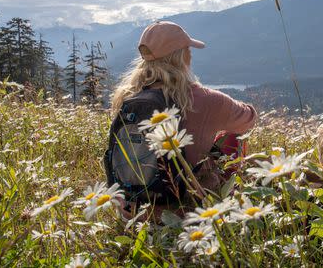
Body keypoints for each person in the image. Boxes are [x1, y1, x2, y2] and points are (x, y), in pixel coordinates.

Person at [110, 21, 257, 215]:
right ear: (183, 56)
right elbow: (248, 119)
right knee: (234, 135)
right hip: (186, 213)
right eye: (188, 50)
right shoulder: (205, 99)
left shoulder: (127, 97)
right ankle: (229, 195)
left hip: (132, 212)